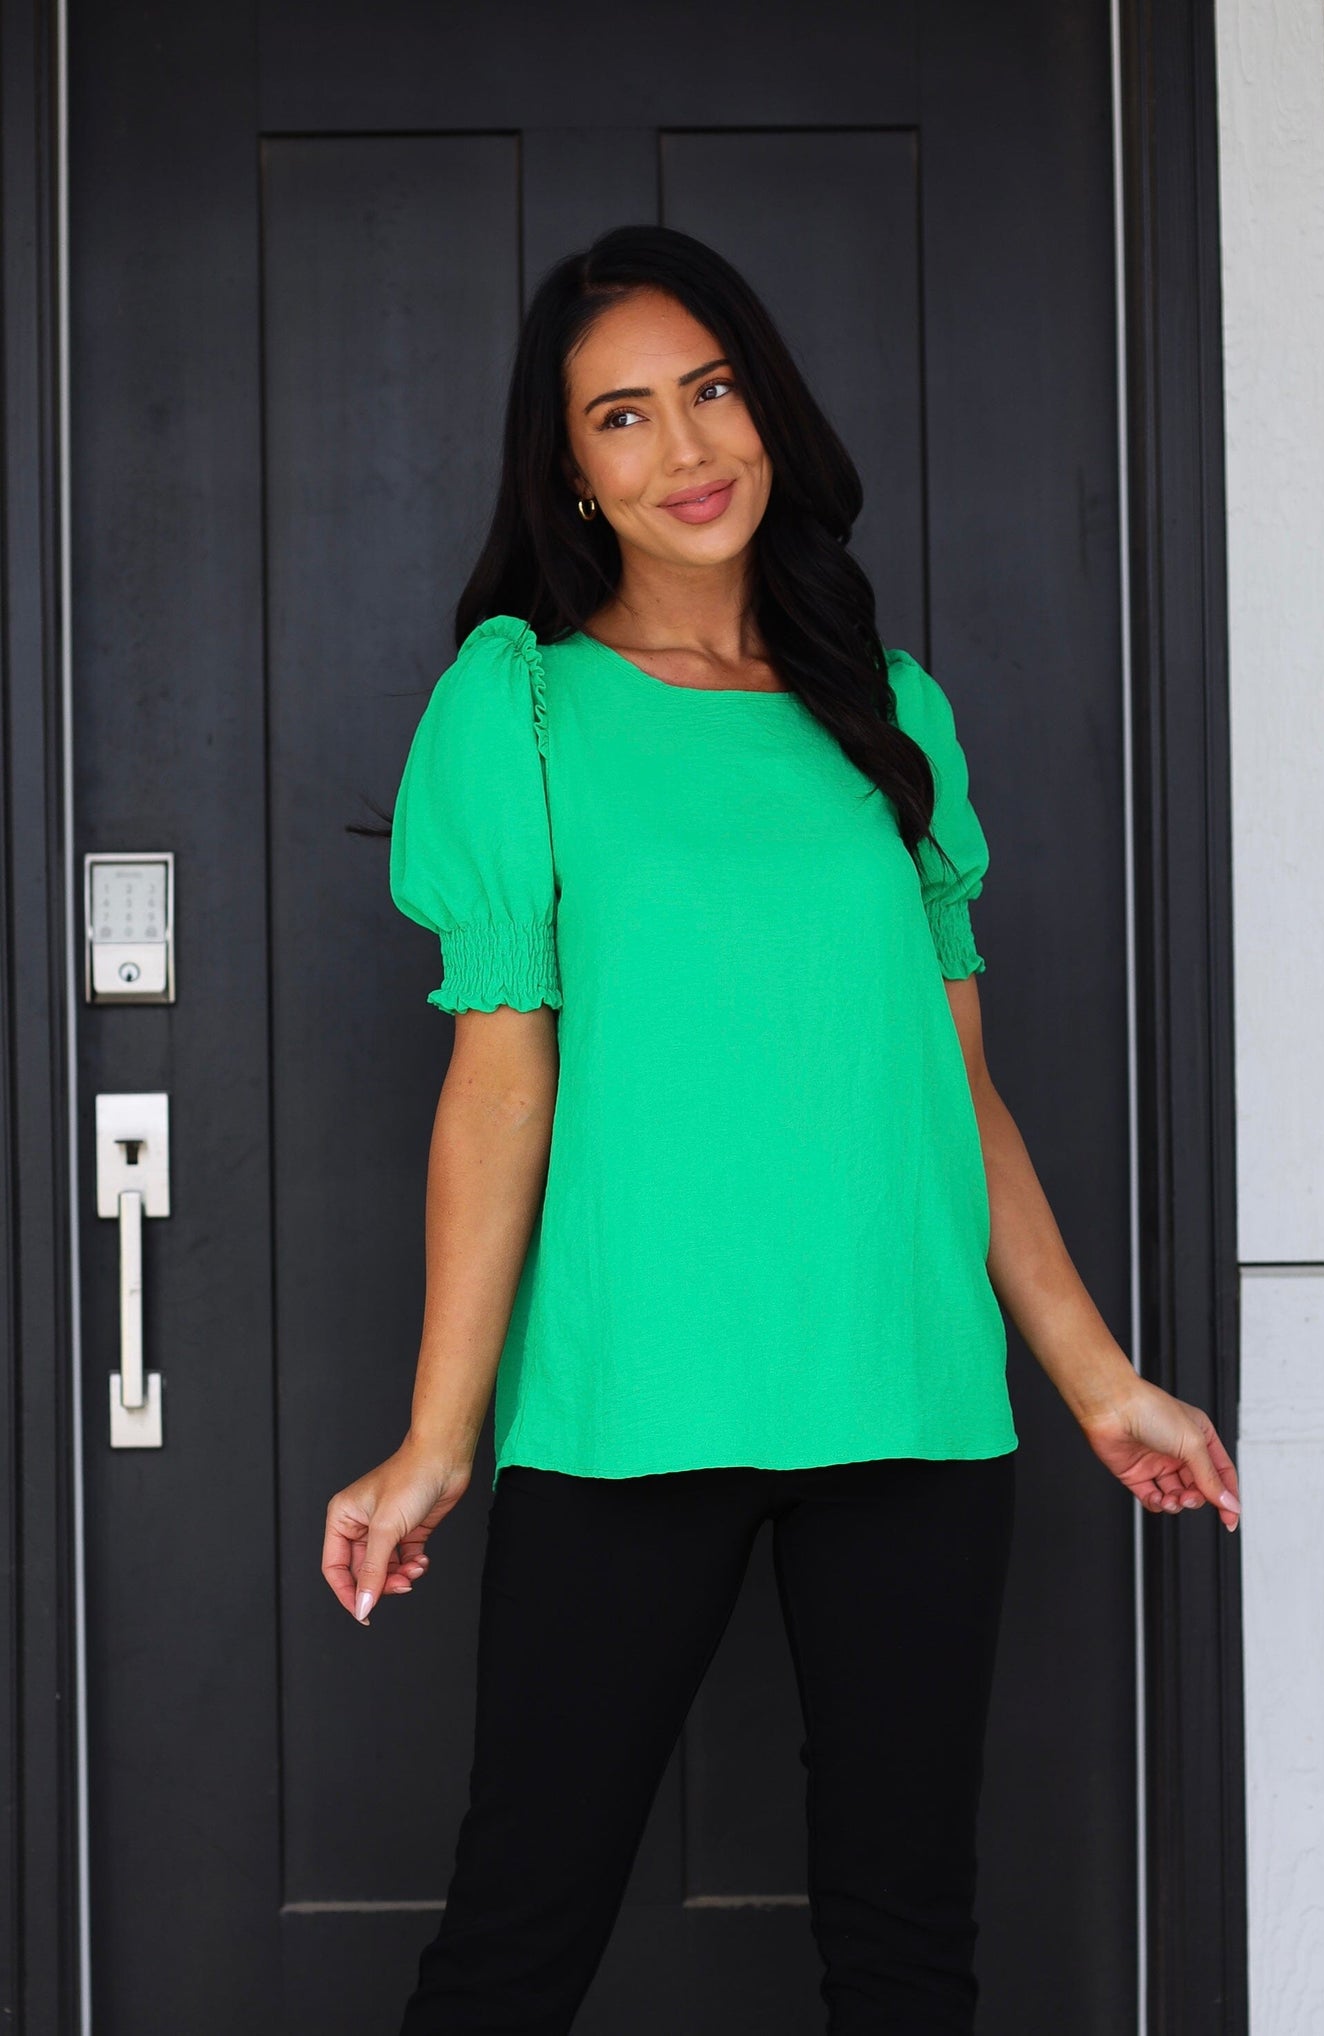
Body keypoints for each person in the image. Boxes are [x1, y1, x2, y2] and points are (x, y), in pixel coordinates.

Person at [322, 223, 1242, 2034]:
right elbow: (499, 1083)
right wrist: (439, 1435)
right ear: (569, 472)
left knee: (907, 1952)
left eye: (713, 391)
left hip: (905, 1393)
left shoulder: (890, 713)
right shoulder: (518, 706)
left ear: (769, 407)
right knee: (516, 1937)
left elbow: (953, 1091)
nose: (687, 449)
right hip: (632, 1401)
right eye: (624, 417)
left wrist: (1101, 1383)